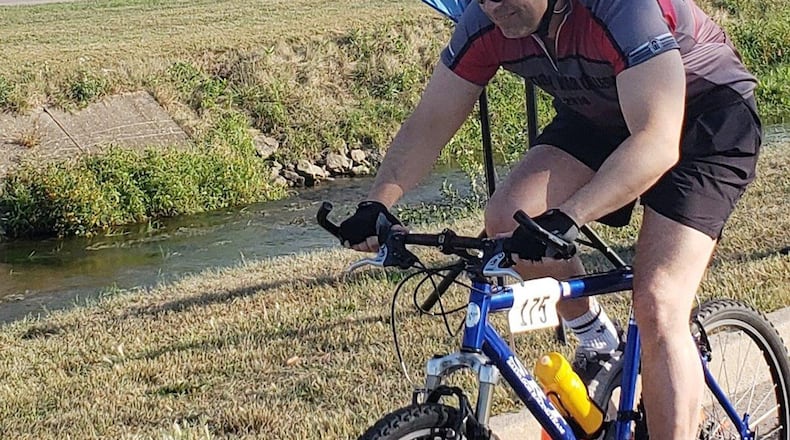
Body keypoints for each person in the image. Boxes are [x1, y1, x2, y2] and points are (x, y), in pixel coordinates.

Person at [336, 0, 762, 437]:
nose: (492, 4)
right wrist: (377, 204)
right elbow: (430, 121)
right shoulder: (486, 23)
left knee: (658, 302)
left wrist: (571, 215)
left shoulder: (620, 8)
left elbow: (656, 140)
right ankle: (598, 340)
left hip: (705, 118)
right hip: (602, 112)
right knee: (508, 217)